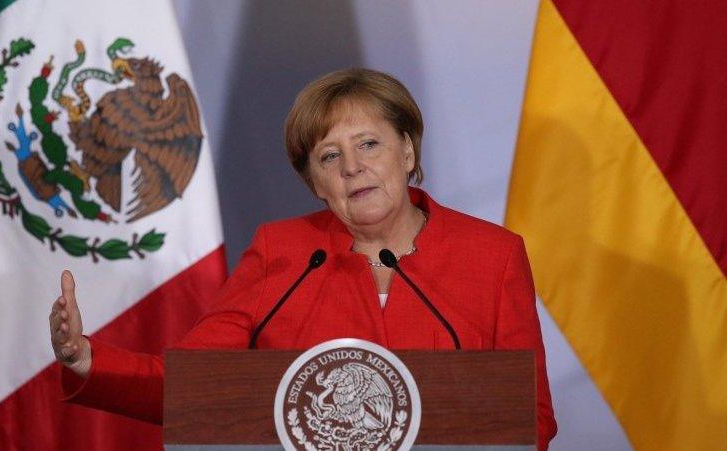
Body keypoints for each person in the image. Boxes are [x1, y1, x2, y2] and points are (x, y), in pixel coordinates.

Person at [49, 68, 557, 448]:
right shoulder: (283, 253)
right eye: (330, 157)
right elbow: (197, 384)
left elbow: (530, 415)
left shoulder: (493, 255)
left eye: (368, 144)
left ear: (406, 152)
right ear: (315, 183)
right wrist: (86, 360)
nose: (353, 168)